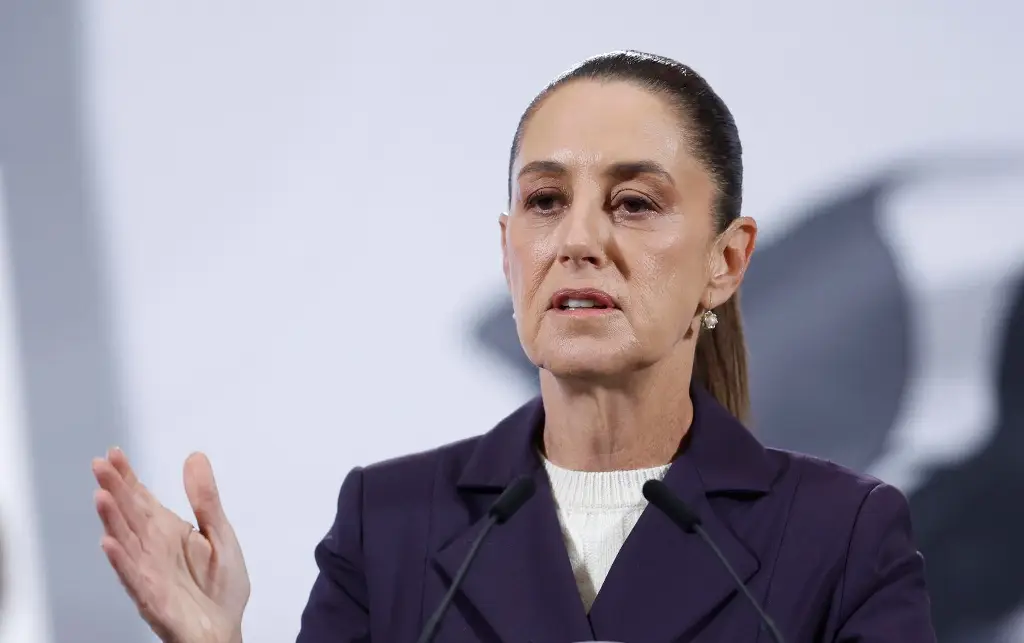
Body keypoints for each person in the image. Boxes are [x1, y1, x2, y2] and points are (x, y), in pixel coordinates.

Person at [91, 50, 937, 642]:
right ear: (508, 250)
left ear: (726, 260)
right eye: (545, 201)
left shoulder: (842, 535)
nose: (578, 240)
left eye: (634, 203)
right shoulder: (389, 524)